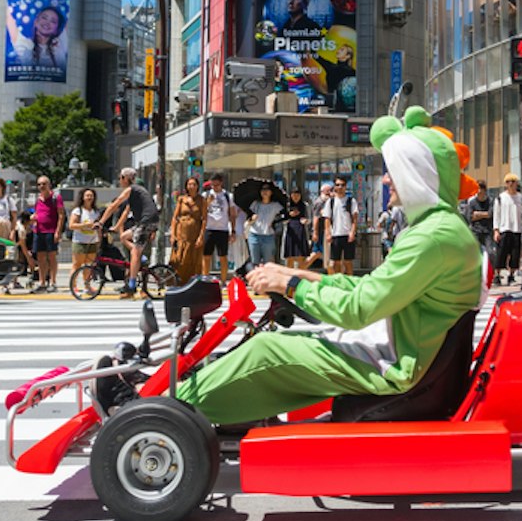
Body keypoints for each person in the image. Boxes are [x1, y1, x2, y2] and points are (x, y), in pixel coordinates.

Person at [169, 106, 483, 426]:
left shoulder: (433, 237)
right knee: (270, 344)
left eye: (394, 170)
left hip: (397, 367)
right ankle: (187, 406)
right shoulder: (439, 230)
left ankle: (171, 410)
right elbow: (369, 289)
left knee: (267, 349)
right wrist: (299, 274)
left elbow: (358, 309)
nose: (387, 179)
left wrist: (290, 286)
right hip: (403, 355)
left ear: (415, 175)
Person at [99, 168, 161, 298]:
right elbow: (125, 212)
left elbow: (113, 206)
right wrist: (116, 227)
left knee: (134, 253)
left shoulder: (131, 189)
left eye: (120, 178)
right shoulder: (136, 192)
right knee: (124, 236)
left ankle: (132, 285)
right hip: (145, 222)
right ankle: (141, 259)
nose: (119, 181)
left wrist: (100, 222)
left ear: (126, 178)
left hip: (146, 222)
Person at [29, 176, 65, 293]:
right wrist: (33, 218)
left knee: (52, 257)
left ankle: (53, 282)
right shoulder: (37, 199)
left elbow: (61, 215)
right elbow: (36, 213)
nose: (41, 186)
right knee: (40, 258)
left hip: (51, 231)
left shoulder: (56, 197)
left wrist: (58, 231)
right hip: (39, 231)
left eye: (44, 184)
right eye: (39, 184)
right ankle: (42, 282)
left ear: (49, 184)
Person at [169, 176, 207, 282]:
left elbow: (204, 219)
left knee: (194, 260)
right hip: (181, 233)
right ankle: (178, 282)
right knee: (179, 260)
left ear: (197, 186)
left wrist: (201, 236)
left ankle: (193, 282)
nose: (192, 186)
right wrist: (173, 234)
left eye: (194, 184)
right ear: (186, 186)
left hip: (194, 234)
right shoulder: (181, 199)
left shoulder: (202, 200)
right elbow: (175, 218)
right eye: (189, 184)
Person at [203, 174, 241, 278]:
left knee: (223, 256)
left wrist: (233, 231)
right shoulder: (206, 195)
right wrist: (207, 203)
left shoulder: (228, 196)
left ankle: (223, 280)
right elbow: (201, 213)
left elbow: (232, 214)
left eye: (217, 185)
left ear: (221, 183)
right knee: (206, 256)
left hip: (222, 229)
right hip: (209, 228)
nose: (215, 187)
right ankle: (205, 278)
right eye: (213, 185)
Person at [492, 172, 522, 286]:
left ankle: (511, 276)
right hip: (504, 228)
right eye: (508, 182)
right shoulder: (501, 198)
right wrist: (496, 230)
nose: (511, 184)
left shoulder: (520, 197)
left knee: (515, 254)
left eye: (513, 181)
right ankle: (497, 275)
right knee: (501, 253)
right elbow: (496, 214)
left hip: (517, 228)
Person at [325, 175, 359, 274]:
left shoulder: (351, 201)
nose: (340, 187)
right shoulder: (330, 202)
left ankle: (350, 283)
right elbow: (327, 218)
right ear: (334, 186)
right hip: (335, 234)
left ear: (346, 186)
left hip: (347, 234)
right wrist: (328, 233)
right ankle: (338, 283)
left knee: (348, 262)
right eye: (338, 185)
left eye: (342, 185)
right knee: (336, 262)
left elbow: (354, 218)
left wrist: (353, 232)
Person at [247, 182, 284, 265]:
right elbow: (248, 218)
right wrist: (252, 218)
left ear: (271, 192)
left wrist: (274, 222)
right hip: (254, 234)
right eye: (263, 190)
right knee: (254, 261)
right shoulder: (255, 204)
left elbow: (284, 216)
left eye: (267, 190)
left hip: (268, 236)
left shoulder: (276, 205)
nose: (265, 192)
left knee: (268, 262)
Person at [69, 188, 102, 279]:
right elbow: (71, 225)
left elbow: (98, 226)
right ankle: (74, 285)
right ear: (83, 197)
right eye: (87, 195)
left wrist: (99, 239)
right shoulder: (78, 211)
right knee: (77, 264)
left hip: (92, 241)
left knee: (89, 265)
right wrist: (85, 225)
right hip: (80, 241)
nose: (89, 197)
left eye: (91, 196)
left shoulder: (96, 212)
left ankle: (87, 284)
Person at [283, 186, 312, 270]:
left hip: (301, 232)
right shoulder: (287, 206)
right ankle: (288, 278)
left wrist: (306, 221)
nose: (296, 197)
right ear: (291, 195)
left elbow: (310, 218)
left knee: (301, 257)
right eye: (294, 194)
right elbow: (282, 219)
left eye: (297, 195)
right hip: (290, 233)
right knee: (290, 257)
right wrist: (289, 215)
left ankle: (301, 277)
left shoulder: (305, 205)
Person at [463, 179, 494, 256]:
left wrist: (477, 214)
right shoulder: (472, 202)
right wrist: (484, 214)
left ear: (485, 190)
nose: (479, 191)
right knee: (475, 253)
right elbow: (470, 217)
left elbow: (490, 214)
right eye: (477, 189)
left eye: (481, 189)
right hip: (476, 231)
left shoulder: (490, 201)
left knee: (490, 252)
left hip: (487, 231)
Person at [308, 181, 335, 269]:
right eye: (328, 191)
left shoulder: (328, 202)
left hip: (325, 230)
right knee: (317, 252)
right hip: (320, 231)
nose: (330, 193)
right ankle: (303, 266)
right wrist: (315, 232)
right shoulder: (320, 202)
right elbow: (316, 218)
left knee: (322, 253)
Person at [376, 187, 407, 256]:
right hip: (405, 233)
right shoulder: (406, 207)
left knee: (391, 251)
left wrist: (389, 233)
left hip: (396, 235)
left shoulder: (395, 209)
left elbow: (393, 222)